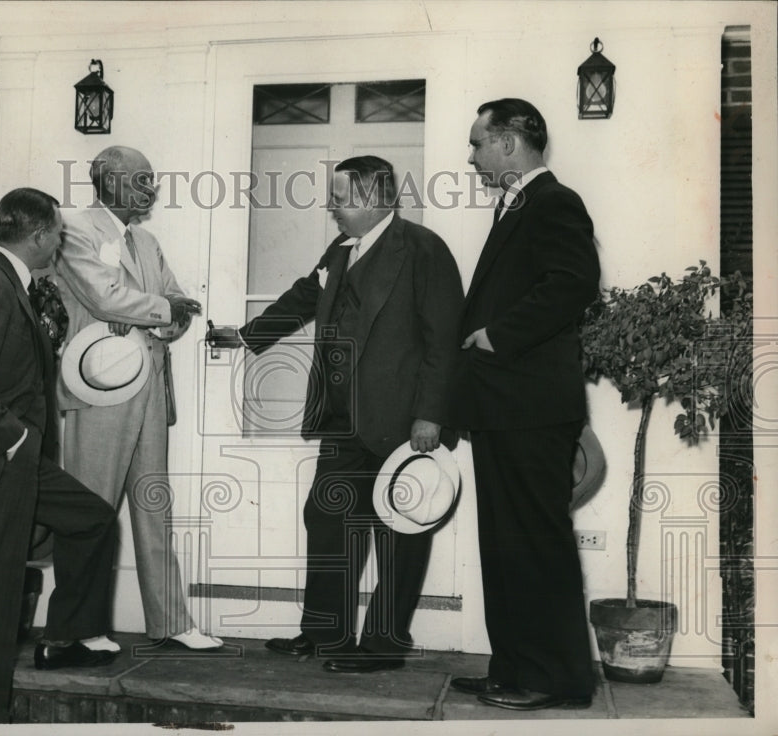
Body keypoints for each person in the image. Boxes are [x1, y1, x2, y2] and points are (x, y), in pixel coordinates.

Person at [208, 155, 463, 673]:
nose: (333, 207)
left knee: (399, 533)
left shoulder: (423, 248)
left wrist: (430, 414)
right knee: (327, 519)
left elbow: (445, 341)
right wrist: (249, 334)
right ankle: (324, 633)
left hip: (402, 422)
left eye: (341, 198)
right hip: (341, 419)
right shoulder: (342, 248)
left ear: (374, 198)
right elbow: (307, 293)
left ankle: (384, 646)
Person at [0, 188, 119, 724]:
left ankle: (71, 635)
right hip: (0, 458)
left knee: (93, 520)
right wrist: (14, 438)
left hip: (21, 457)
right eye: (57, 232)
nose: (60, 240)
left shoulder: (11, 281)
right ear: (37, 236)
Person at [445, 98, 600, 710]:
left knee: (536, 543)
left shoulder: (554, 202)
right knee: (507, 545)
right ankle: (513, 669)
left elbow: (572, 283)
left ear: (509, 143)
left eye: (478, 143)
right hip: (505, 407)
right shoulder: (518, 207)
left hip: (531, 407)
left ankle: (556, 679)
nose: (473, 156)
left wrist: (496, 335)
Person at [54, 145, 222, 651]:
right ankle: (81, 630)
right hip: (100, 388)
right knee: (90, 511)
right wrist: (158, 307)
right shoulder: (76, 230)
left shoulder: (146, 241)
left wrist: (156, 312)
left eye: (153, 179)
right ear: (109, 181)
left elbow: (180, 308)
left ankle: (171, 623)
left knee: (155, 508)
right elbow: (104, 297)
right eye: (142, 179)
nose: (152, 188)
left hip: (151, 389)